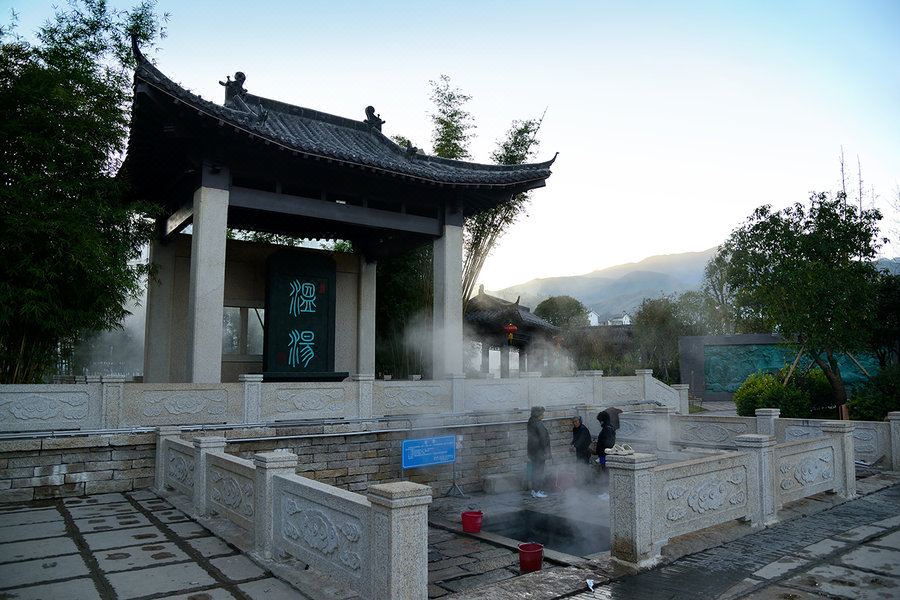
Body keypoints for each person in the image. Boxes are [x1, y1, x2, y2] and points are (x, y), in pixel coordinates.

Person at [527, 405, 551, 498]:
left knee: (535, 470)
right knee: (539, 471)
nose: (543, 415)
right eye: (542, 413)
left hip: (533, 451)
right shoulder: (538, 423)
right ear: (538, 414)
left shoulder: (530, 421)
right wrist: (547, 452)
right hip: (539, 452)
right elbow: (544, 439)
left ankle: (534, 490)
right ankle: (537, 491)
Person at [595, 410, 617, 482]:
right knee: (604, 470)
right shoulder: (609, 428)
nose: (599, 423)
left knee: (605, 471)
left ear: (602, 420)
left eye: (600, 421)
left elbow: (608, 443)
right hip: (603, 454)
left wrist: (600, 446)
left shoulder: (607, 429)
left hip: (604, 455)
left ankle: (607, 486)